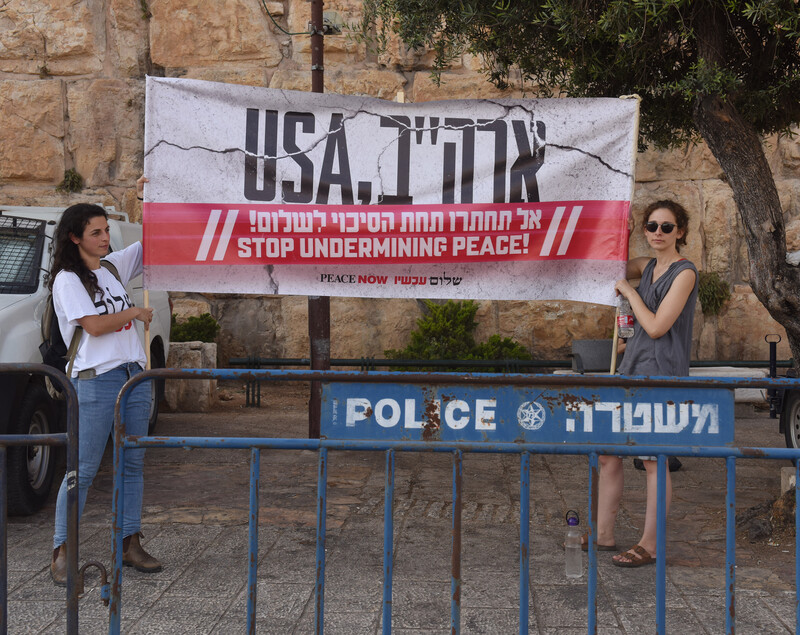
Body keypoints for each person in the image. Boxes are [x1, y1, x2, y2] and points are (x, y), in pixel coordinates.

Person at [49, 203, 162, 585]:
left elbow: (153, 243)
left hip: (133, 376)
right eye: (95, 233)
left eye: (106, 231)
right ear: (74, 237)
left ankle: (129, 543)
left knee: (131, 465)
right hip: (96, 379)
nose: (104, 239)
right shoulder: (68, 279)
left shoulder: (112, 269)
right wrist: (134, 313)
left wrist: (153, 194)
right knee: (82, 469)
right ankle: (63, 551)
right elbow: (94, 326)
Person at [593, 199, 698, 567]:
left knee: (654, 461)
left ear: (680, 232)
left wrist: (630, 291)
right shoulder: (649, 265)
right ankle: (603, 533)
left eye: (666, 227)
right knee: (608, 454)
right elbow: (613, 266)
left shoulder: (685, 273)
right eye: (651, 226)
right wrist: (617, 228)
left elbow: (656, 327)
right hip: (631, 368)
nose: (657, 233)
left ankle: (649, 544)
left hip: (661, 374)